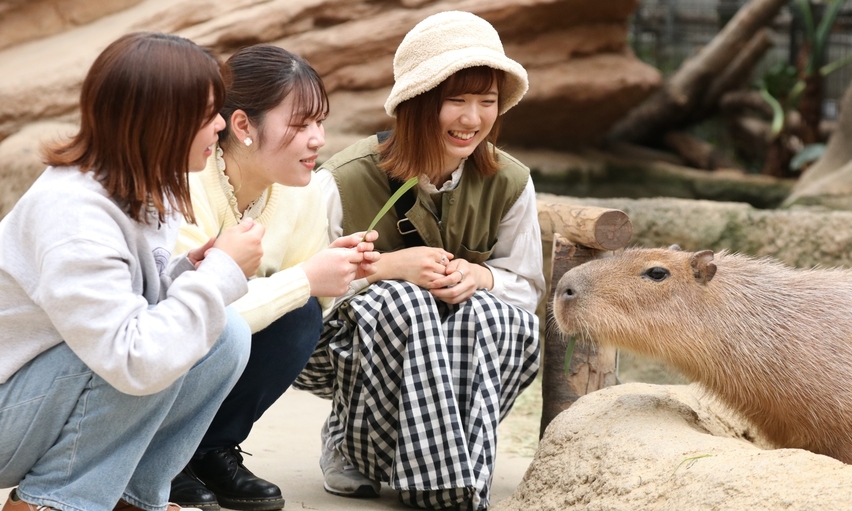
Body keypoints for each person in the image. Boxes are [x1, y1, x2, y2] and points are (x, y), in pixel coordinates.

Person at [0, 32, 265, 511]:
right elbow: (131, 358)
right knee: (143, 351)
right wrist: (219, 274)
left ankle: (126, 496)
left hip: (35, 398)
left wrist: (190, 272)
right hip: (7, 412)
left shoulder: (144, 187)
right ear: (163, 121)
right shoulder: (74, 215)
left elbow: (131, 303)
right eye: (208, 114)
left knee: (226, 334)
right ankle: (54, 501)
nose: (221, 125)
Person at [296, 10, 545, 511]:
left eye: (487, 101)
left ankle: (445, 470)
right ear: (415, 102)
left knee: (489, 314)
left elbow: (528, 290)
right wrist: (387, 269)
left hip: (458, 359)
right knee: (403, 303)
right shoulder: (342, 179)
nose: (472, 119)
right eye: (455, 100)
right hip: (342, 357)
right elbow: (299, 294)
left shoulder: (512, 182)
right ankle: (357, 444)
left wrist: (482, 275)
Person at [169, 45, 379, 511]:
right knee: (279, 303)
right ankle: (164, 456)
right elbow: (185, 319)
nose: (318, 139)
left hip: (217, 343)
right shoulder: (187, 182)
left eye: (319, 122)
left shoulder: (298, 189)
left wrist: (347, 270)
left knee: (300, 316)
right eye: (300, 124)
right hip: (159, 354)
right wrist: (306, 276)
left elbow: (309, 299)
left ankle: (210, 450)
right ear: (242, 126)